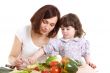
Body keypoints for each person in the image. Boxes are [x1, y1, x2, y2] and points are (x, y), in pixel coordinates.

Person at [30, 13, 96, 72]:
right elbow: (45, 49)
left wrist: (89, 62)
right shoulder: (59, 42)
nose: (64, 31)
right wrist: (34, 57)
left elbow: (86, 54)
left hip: (78, 68)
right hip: (65, 69)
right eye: (62, 29)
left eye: (67, 29)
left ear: (76, 28)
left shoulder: (82, 41)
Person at [8, 4, 60, 69]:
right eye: (45, 22)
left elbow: (55, 60)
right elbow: (12, 56)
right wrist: (14, 61)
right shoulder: (23, 31)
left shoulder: (54, 37)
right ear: (39, 18)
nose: (47, 28)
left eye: (51, 25)